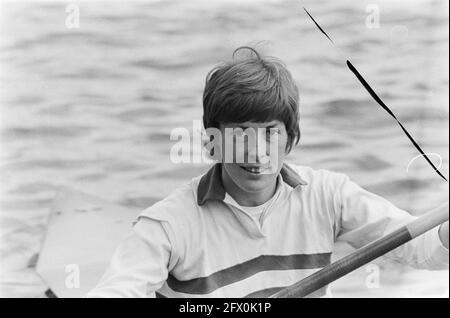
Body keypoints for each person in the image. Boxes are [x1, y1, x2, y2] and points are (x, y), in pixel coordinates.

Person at [87, 47, 449, 298]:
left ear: (291, 138)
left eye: (269, 133)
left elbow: (426, 251)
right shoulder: (167, 225)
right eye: (240, 133)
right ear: (213, 140)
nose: (256, 151)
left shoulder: (329, 196)